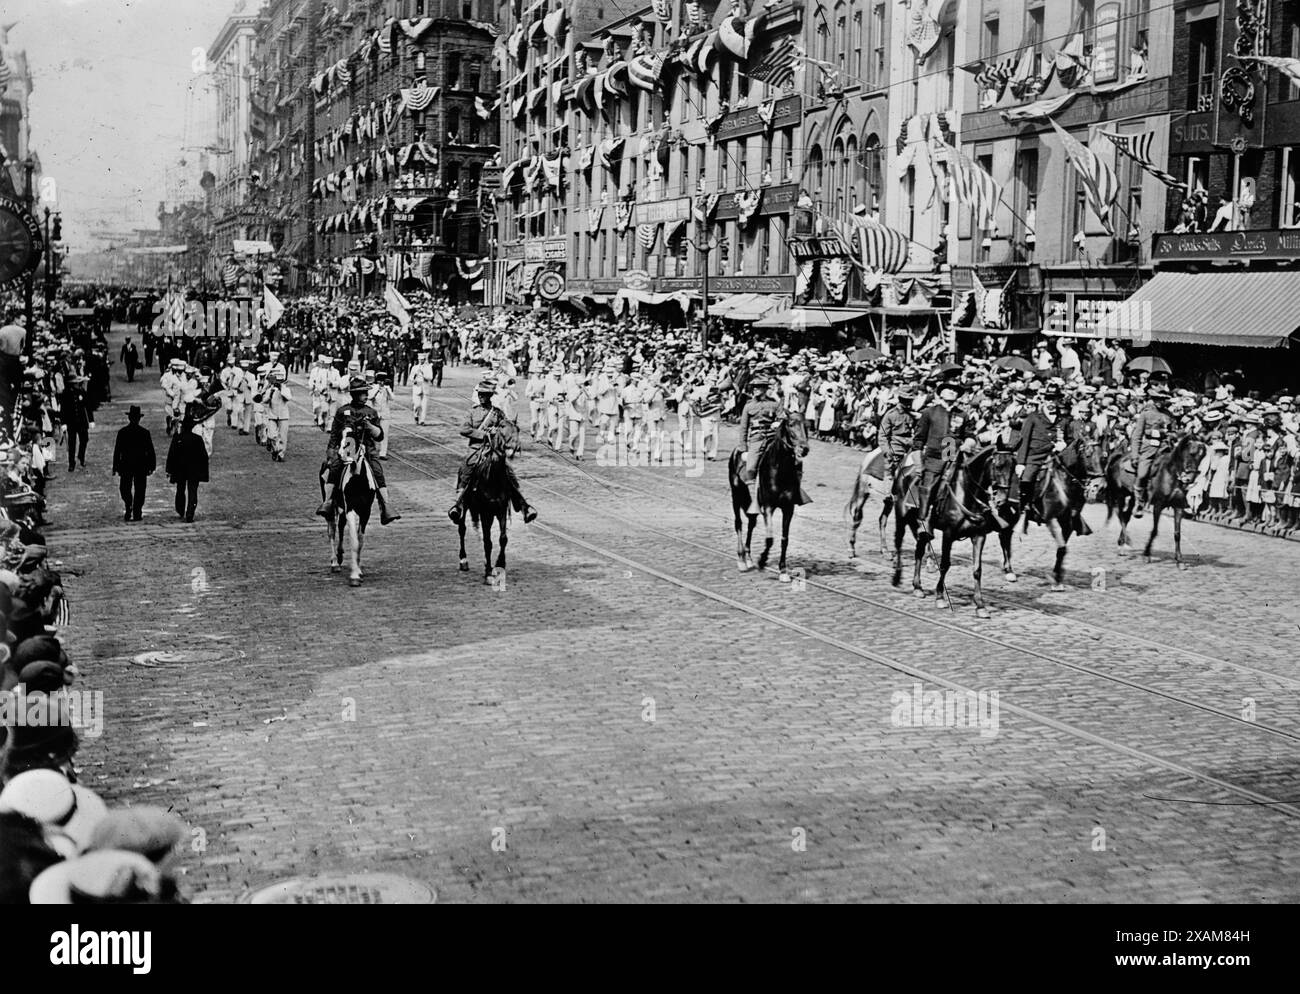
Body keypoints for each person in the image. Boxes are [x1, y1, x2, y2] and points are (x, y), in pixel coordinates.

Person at [446, 377, 537, 525]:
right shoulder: (472, 412)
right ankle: (459, 504)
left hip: (494, 449)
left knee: (509, 474)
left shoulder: (497, 413)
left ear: (490, 396)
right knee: (466, 469)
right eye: (480, 394)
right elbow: (464, 429)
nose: (481, 397)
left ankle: (523, 506)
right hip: (476, 449)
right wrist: (483, 434)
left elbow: (506, 426)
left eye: (484, 395)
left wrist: (499, 430)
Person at [315, 376, 401, 525]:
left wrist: (370, 427)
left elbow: (380, 436)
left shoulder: (371, 412)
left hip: (367, 449)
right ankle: (328, 502)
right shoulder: (343, 411)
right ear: (354, 394)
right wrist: (331, 453)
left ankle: (385, 506)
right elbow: (335, 435)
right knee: (335, 468)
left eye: (366, 393)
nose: (366, 396)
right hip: (348, 446)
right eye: (362, 393)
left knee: (377, 471)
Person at [910, 381, 964, 538]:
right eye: (949, 389)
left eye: (956, 390)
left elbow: (969, 433)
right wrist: (918, 462)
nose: (952, 392)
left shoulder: (962, 414)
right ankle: (924, 521)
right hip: (934, 460)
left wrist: (969, 441)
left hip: (956, 459)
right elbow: (919, 439)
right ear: (941, 393)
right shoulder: (929, 413)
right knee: (929, 486)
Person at [1129, 384, 1175, 517]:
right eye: (1156, 399)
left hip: (1165, 448)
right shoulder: (1145, 414)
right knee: (1142, 474)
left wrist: (1168, 434)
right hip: (1149, 448)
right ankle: (1139, 502)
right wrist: (1135, 455)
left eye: (1162, 399)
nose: (1159, 402)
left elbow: (1174, 433)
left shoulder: (1169, 415)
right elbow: (1137, 436)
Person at [165, 404, 209, 523]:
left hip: (180, 469)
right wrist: (203, 472)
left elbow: (171, 455)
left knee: (180, 490)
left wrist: (169, 469)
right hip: (194, 470)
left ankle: (180, 510)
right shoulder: (197, 439)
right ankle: (190, 513)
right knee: (192, 492)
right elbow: (204, 457)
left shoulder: (178, 438)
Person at [111, 405, 155, 521]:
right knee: (140, 489)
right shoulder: (144, 433)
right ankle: (136, 510)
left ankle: (130, 505)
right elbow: (150, 451)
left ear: (129, 418)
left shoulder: (123, 432)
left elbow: (117, 451)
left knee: (125, 488)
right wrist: (152, 465)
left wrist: (115, 466)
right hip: (140, 465)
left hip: (127, 465)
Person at [878, 385, 916, 477]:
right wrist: (887, 451)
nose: (908, 402)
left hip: (911, 446)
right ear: (900, 399)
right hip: (896, 447)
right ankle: (888, 489)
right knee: (890, 471)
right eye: (905, 400)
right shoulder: (891, 414)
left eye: (910, 400)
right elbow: (883, 435)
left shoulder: (913, 414)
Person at [59, 374, 91, 473]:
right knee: (71, 444)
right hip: (71, 422)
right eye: (75, 383)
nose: (77, 384)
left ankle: (81, 456)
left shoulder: (82, 392)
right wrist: (63, 423)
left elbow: (87, 407)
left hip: (82, 421)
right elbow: (63, 409)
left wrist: (91, 420)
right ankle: (71, 463)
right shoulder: (65, 394)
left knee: (84, 439)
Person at [263, 368, 292, 462]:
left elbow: (288, 397)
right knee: (272, 435)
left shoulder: (286, 389)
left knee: (283, 436)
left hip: (283, 416)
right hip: (272, 415)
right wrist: (270, 394)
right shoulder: (270, 389)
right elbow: (265, 401)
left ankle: (280, 454)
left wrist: (281, 389)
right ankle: (276, 449)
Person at [410, 352, 432, 425]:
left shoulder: (428, 367)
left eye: (422, 360)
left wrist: (424, 375)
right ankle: (416, 415)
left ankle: (422, 420)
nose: (421, 361)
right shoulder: (415, 367)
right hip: (417, 388)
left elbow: (430, 377)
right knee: (417, 405)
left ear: (424, 360)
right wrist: (414, 381)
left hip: (425, 389)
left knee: (424, 406)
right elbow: (410, 377)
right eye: (419, 360)